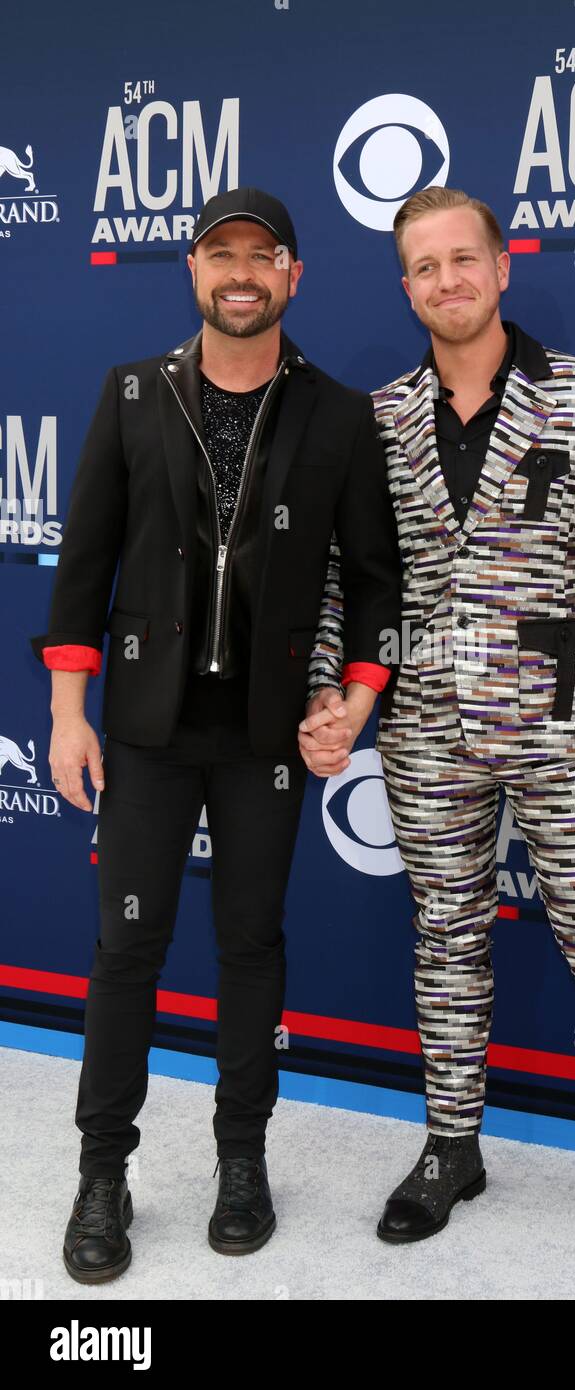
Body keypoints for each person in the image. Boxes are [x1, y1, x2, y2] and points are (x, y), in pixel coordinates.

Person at [299, 186, 575, 1268]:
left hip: (566, 728)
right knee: (446, 943)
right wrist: (331, 689)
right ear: (405, 284)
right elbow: (351, 580)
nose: (446, 281)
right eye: (423, 267)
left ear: (501, 265)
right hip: (422, 729)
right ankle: (451, 1145)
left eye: (462, 259)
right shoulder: (375, 419)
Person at [30, 186, 400, 1283]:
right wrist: (66, 715)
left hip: (267, 738)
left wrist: (354, 703)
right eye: (219, 254)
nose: (240, 273)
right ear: (194, 273)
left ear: (293, 276)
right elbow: (83, 565)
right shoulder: (134, 392)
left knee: (249, 945)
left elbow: (378, 582)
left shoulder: (337, 414)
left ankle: (243, 1160)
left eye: (262, 255)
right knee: (126, 950)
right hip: (144, 732)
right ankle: (105, 1172)